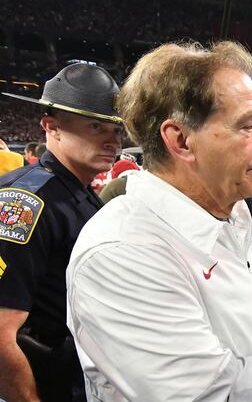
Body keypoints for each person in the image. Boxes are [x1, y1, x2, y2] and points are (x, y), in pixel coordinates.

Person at [65, 41, 252, 402]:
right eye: (247, 125)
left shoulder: (230, 212)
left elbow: (239, 342)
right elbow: (210, 394)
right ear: (181, 140)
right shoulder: (122, 252)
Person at [0, 63, 124, 402]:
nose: (113, 140)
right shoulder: (24, 202)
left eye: (116, 129)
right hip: (44, 384)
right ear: (51, 127)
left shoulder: (79, 193)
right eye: (96, 126)